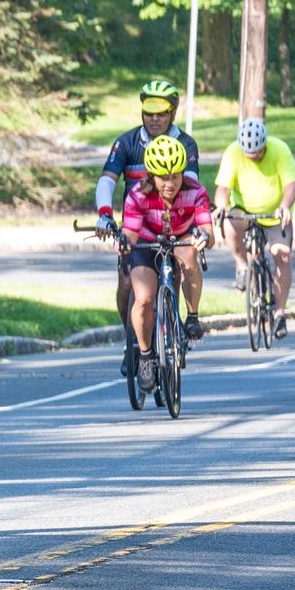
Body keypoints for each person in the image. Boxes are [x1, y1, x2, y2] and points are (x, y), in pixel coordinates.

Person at [96, 78, 199, 374]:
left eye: (161, 113)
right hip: (137, 226)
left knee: (181, 266)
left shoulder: (186, 143)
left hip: (175, 225)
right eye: (149, 112)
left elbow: (189, 186)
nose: (154, 119)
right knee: (128, 285)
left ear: (173, 112)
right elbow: (107, 181)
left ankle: (175, 324)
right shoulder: (127, 143)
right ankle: (133, 340)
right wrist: (104, 214)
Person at [119, 135, 213, 394]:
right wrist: (123, 242)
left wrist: (203, 236)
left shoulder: (195, 191)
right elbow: (131, 233)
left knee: (190, 255)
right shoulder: (138, 195)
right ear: (151, 175)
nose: (170, 184)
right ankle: (146, 356)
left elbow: (207, 229)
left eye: (175, 176)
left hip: (181, 236)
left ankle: (192, 316)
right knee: (144, 299)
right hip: (148, 241)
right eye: (163, 178)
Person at [213, 116, 295, 338]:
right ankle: (243, 266)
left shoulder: (280, 149)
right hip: (245, 209)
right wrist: (221, 207)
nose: (254, 158)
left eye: (258, 153)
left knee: (282, 255)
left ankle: (279, 313)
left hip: (274, 213)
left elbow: (292, 184)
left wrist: (284, 206)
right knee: (230, 222)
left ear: (265, 145)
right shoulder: (233, 152)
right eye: (249, 154)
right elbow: (223, 188)